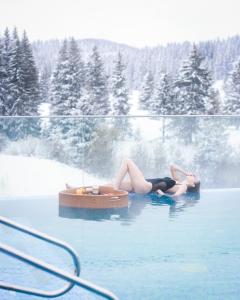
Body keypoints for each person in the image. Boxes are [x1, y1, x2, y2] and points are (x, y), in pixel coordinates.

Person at [113, 158, 200, 198]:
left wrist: (162, 194)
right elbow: (173, 167)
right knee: (108, 186)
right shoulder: (177, 181)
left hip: (146, 186)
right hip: (143, 183)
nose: (193, 175)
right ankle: (112, 188)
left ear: (192, 185)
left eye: (194, 178)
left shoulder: (184, 186)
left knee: (127, 161)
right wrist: (185, 173)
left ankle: (115, 190)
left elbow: (175, 196)